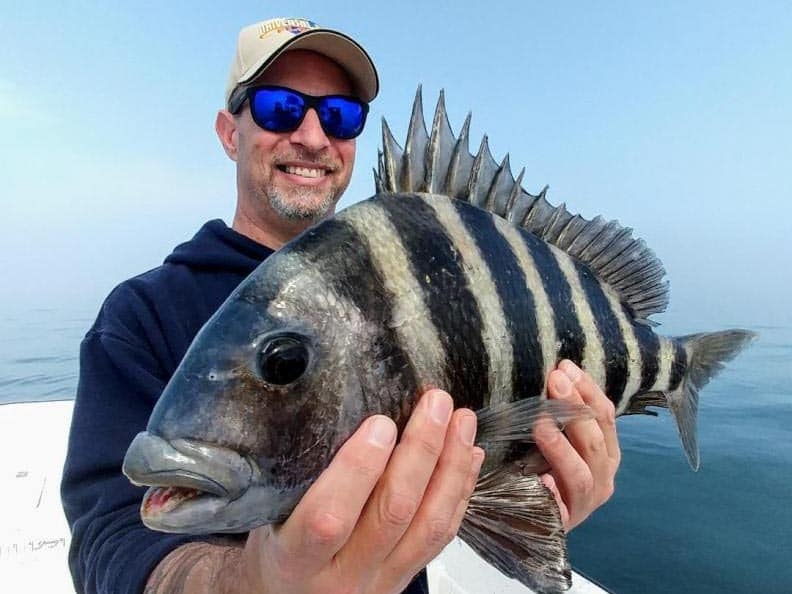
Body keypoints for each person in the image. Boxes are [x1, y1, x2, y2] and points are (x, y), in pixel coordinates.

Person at [61, 17, 620, 594]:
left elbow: (475, 464)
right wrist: (252, 584)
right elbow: (113, 536)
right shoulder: (140, 315)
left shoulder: (426, 268)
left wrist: (534, 491)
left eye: (340, 116)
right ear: (230, 133)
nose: (312, 135)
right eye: (280, 107)